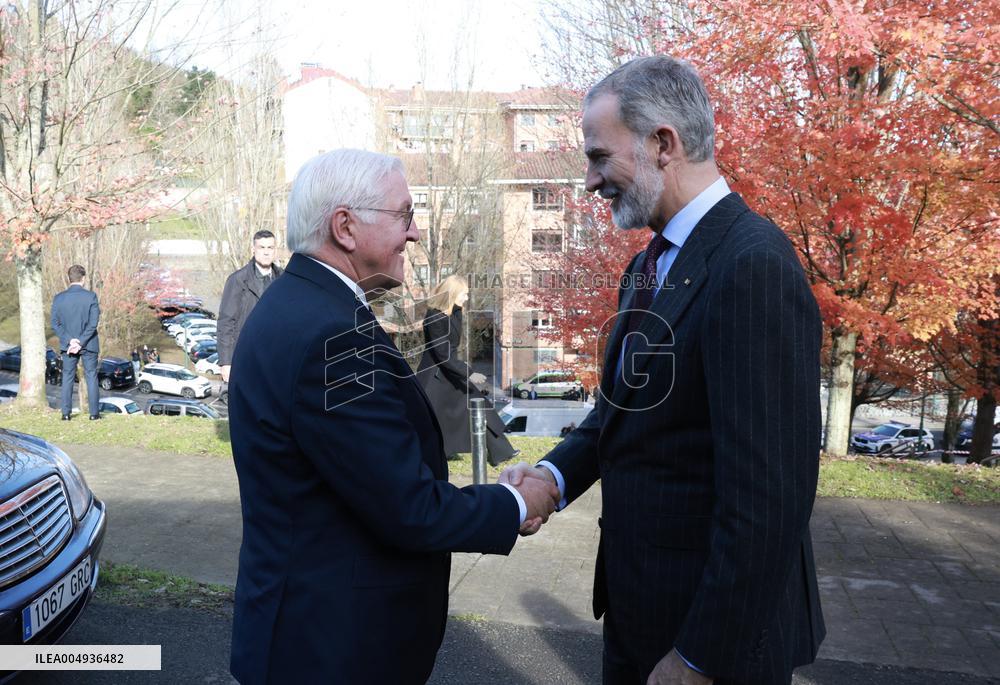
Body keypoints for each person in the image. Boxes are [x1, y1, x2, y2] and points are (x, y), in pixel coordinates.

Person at [502, 56, 825, 685]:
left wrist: (701, 657)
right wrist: (550, 478)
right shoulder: (649, 264)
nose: (591, 182)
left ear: (662, 144)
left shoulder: (752, 267)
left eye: (599, 157)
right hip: (641, 617)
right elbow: (622, 414)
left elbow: (769, 501)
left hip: (709, 644)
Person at [227, 149, 560, 684]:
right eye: (404, 215)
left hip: (311, 636)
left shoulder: (304, 306)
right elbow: (409, 507)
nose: (414, 233)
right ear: (346, 227)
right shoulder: (332, 334)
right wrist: (519, 501)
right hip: (331, 651)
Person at [415, 274, 518, 465]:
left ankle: (501, 452)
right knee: (432, 423)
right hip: (435, 379)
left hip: (449, 374)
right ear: (453, 293)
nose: (467, 298)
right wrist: (469, 372)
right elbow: (443, 355)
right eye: (464, 294)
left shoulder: (455, 313)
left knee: (479, 405)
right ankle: (441, 454)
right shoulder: (433, 318)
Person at [217, 229, 283, 383]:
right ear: (253, 249)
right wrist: (226, 362)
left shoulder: (284, 279)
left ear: (275, 250)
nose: (266, 252)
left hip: (276, 358)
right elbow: (226, 322)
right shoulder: (238, 281)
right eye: (262, 247)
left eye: (270, 248)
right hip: (246, 356)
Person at [51, 264, 101, 420]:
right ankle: (94, 414)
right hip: (89, 343)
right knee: (91, 376)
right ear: (83, 279)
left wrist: (70, 340)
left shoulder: (59, 298)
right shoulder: (91, 296)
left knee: (67, 377)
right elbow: (93, 323)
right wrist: (81, 341)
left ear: (69, 279)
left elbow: (55, 323)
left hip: (68, 345)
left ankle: (65, 414)